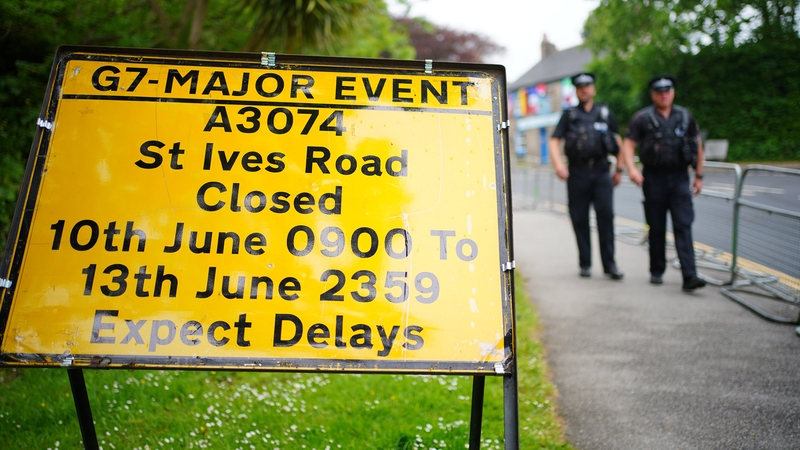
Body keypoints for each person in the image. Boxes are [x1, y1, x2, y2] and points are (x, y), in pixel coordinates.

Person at [621, 74, 707, 291]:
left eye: (667, 91)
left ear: (673, 92)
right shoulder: (643, 118)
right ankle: (657, 270)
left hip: (679, 178)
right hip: (654, 178)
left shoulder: (685, 116)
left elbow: (697, 145)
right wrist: (631, 169)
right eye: (659, 92)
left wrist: (699, 175)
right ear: (653, 95)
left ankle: (690, 276)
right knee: (657, 227)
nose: (664, 95)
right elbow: (629, 145)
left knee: (683, 225)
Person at [549, 72, 624, 280]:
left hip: (601, 172)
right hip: (578, 173)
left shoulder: (605, 113)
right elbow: (554, 141)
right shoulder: (569, 115)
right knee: (579, 219)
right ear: (576, 90)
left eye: (588, 85)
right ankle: (585, 263)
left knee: (606, 217)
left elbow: (618, 142)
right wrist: (558, 165)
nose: (584, 89)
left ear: (593, 89)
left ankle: (610, 265)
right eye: (580, 86)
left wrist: (619, 169)